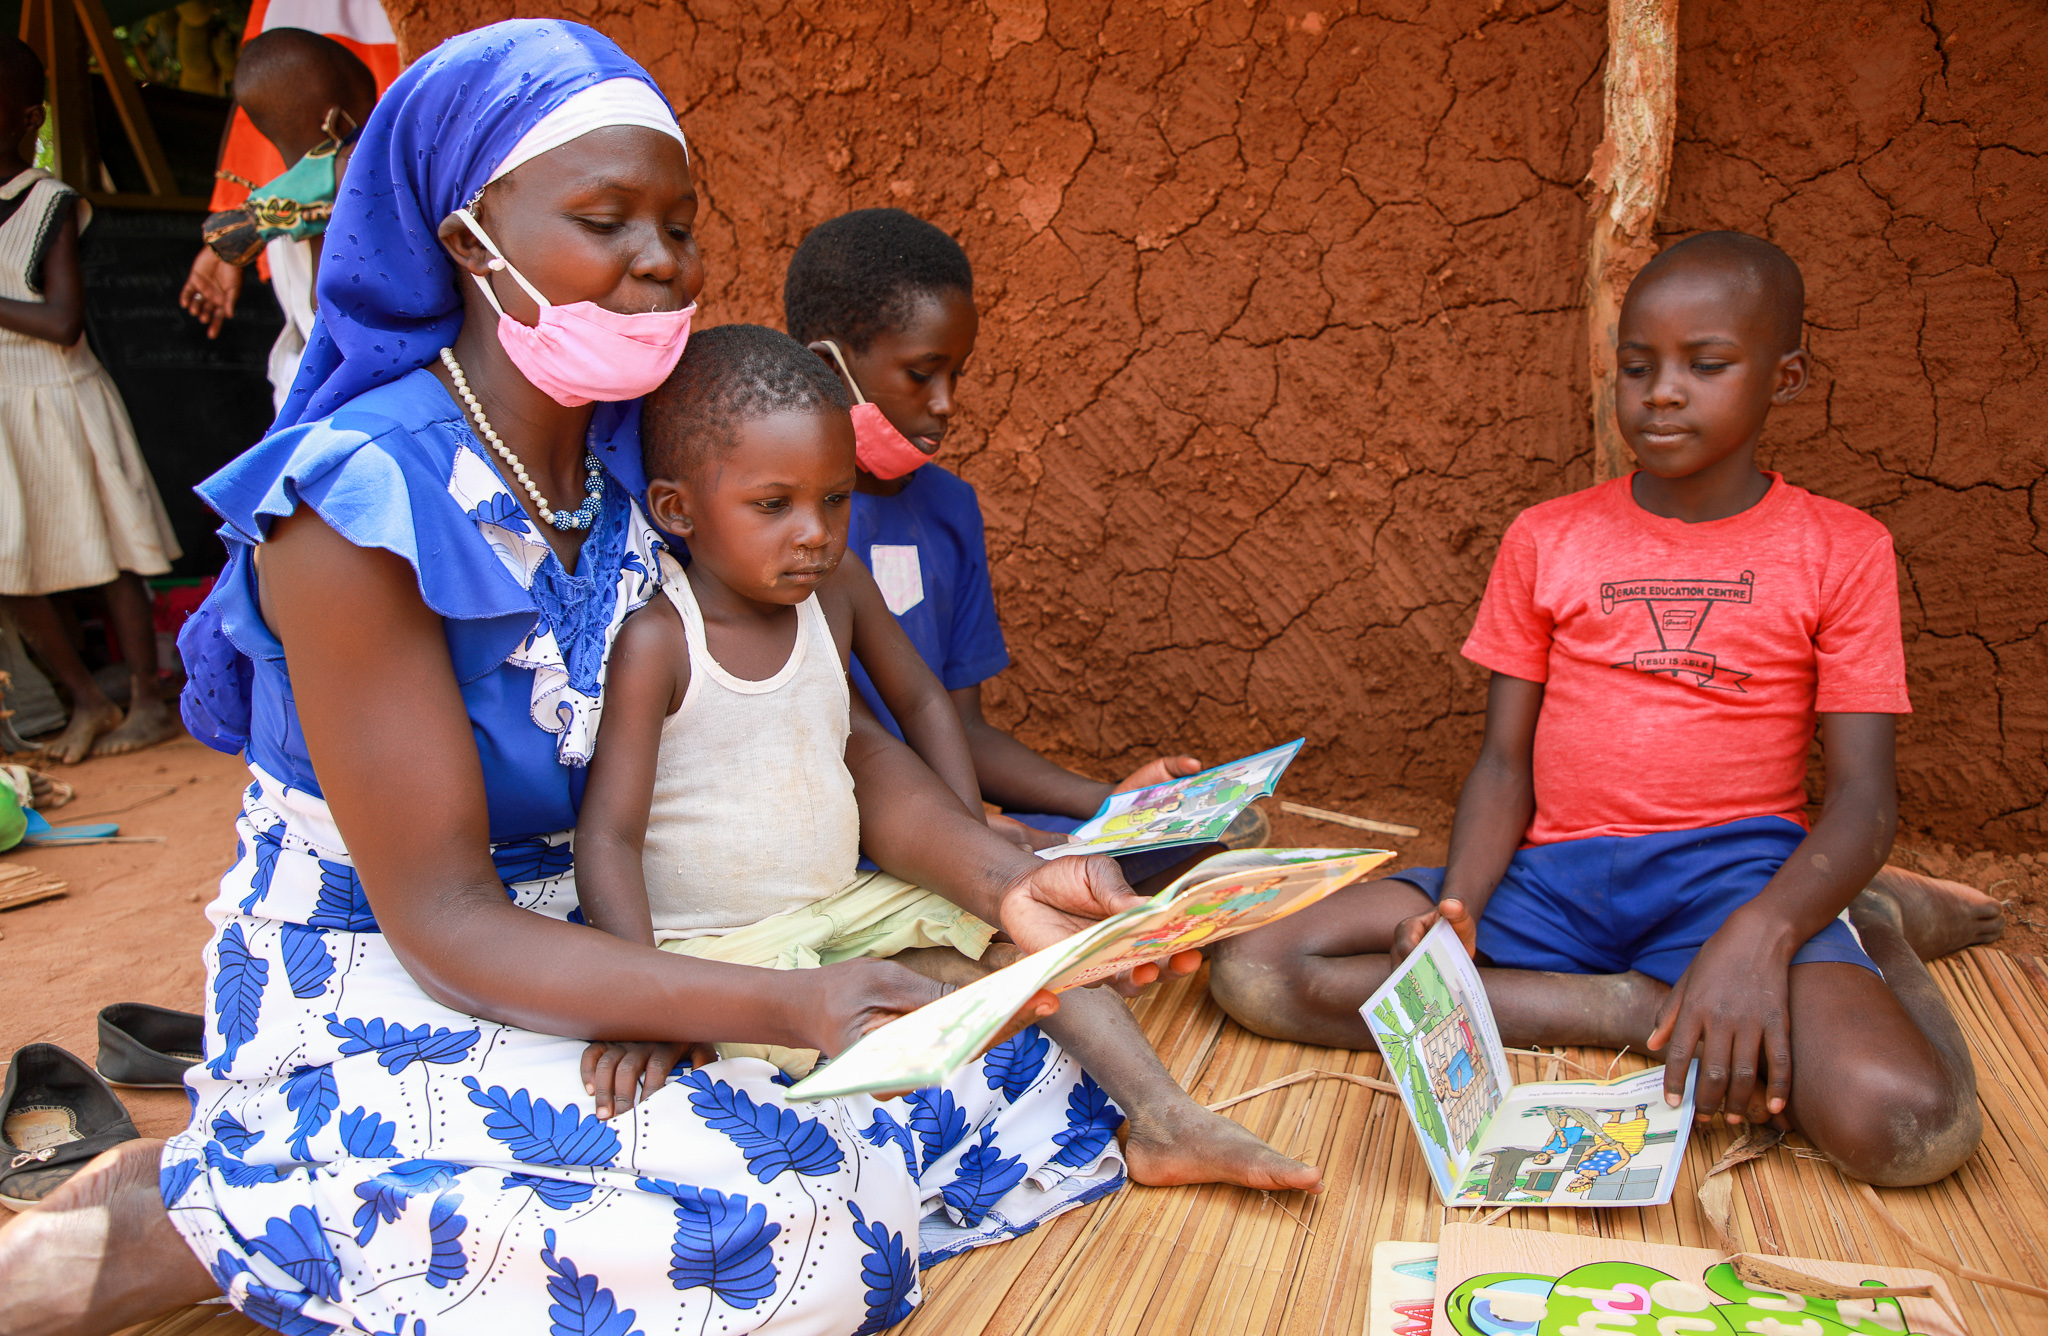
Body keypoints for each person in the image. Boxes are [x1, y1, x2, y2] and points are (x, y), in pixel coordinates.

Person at [0, 22, 1204, 1336]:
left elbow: (845, 736)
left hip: (600, 927)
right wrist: (779, 1007)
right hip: (391, 978)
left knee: (1007, 1076)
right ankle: (226, 1208)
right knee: (797, 1230)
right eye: (605, 218)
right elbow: (451, 921)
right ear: (468, 238)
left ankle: (302, 1219)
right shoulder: (361, 503)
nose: (658, 260)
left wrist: (1005, 880)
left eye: (680, 225)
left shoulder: (646, 473)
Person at [1209, 231, 2004, 1188]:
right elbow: (1506, 762)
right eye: (1639, 366)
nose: (1662, 391)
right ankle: (1642, 1009)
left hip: (1736, 881)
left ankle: (1870, 923)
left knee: (1913, 1128)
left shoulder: (1842, 549)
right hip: (1549, 883)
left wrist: (1763, 933)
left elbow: (1866, 801)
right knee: (1259, 967)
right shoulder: (1550, 538)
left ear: (1784, 376)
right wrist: (1460, 903)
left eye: (1705, 365)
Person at [569, 322, 1325, 1205]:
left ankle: (1165, 1118)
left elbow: (926, 702)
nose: (815, 533)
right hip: (725, 949)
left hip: (846, 902)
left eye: (836, 499)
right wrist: (647, 997)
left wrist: (976, 843)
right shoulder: (660, 641)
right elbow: (608, 839)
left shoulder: (835, 591)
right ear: (676, 508)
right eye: (774, 505)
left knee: (1031, 946)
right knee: (942, 1002)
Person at [784, 208, 1213, 866]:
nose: (946, 402)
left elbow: (963, 727)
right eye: (921, 373)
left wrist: (1109, 803)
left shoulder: (949, 509)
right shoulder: (780, 528)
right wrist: (970, 825)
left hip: (953, 808)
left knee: (1169, 855)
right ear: (828, 366)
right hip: (839, 830)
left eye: (958, 373)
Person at [0, 38, 182, 764]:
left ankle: (145, 698)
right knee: (10, 567)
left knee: (110, 558)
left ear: (28, 116)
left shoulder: (49, 202)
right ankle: (86, 697)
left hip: (58, 398)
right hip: (7, 405)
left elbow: (61, 322)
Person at [179, 28, 377, 409]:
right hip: (347, 402)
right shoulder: (332, 207)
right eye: (370, 115)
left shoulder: (273, 216)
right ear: (337, 123)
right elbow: (335, 318)